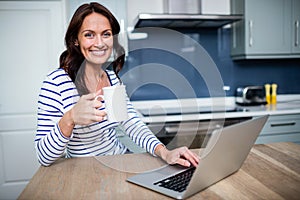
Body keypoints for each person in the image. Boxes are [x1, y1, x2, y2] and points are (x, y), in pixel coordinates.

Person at [35, 2, 199, 167]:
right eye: (89, 35)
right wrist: (69, 119)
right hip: (83, 171)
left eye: (106, 34)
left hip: (119, 162)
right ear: (75, 40)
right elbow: (44, 157)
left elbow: (130, 123)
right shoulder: (56, 83)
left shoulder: (112, 79)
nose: (99, 43)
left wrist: (164, 152)